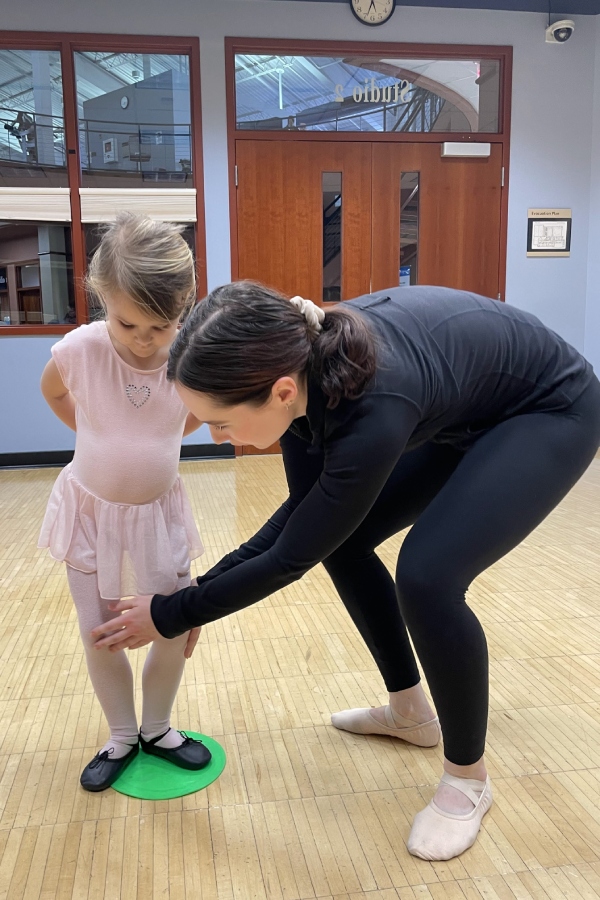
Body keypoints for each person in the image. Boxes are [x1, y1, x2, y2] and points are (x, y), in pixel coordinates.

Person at [92, 281, 600, 857]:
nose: (217, 437)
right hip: (465, 408)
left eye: (222, 423)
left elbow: (290, 559)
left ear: (280, 391)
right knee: (346, 540)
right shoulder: (300, 384)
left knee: (429, 578)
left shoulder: (371, 405)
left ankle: (467, 779)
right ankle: (410, 713)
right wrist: (193, 600)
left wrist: (173, 611)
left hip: (550, 408)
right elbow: (306, 524)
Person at [39, 214, 211, 792]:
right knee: (101, 632)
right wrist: (92, 429)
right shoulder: (81, 349)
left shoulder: (188, 356)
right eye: (127, 322)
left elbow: (192, 415)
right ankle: (120, 733)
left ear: (185, 310)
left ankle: (158, 728)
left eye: (161, 326)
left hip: (159, 518)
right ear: (102, 300)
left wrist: (153, 445)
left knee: (170, 627)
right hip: (89, 516)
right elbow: (54, 391)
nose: (143, 339)